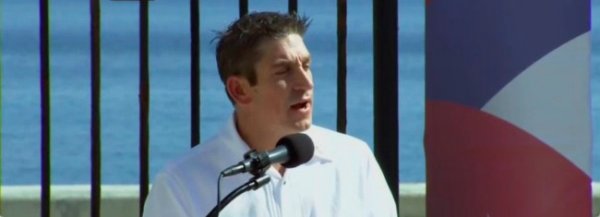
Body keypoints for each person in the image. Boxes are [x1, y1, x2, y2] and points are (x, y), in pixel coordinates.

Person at [142, 11, 398, 217]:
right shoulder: (182, 184)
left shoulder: (353, 160)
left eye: (306, 66)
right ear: (240, 90)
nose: (305, 83)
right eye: (283, 71)